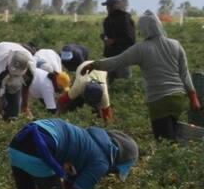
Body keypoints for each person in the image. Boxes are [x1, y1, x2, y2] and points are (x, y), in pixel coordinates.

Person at [83, 11, 199, 140]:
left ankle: (170, 158)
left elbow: (116, 62)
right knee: (174, 133)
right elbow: (185, 74)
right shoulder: (175, 45)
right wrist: (193, 98)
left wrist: (94, 65)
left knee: (164, 140)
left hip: (158, 100)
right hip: (178, 98)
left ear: (143, 30)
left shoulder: (141, 49)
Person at [8, 119, 138, 189]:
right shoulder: (101, 163)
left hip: (17, 143)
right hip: (39, 146)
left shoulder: (88, 141)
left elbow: (69, 186)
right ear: (118, 161)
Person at [0, 42, 39, 119]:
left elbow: (26, 85)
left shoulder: (30, 67)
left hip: (14, 50)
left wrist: (25, 107)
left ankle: (10, 118)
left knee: (14, 109)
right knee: (1, 102)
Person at [101, 0, 136, 82]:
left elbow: (131, 39)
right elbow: (106, 34)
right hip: (110, 56)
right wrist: (105, 38)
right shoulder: (107, 20)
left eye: (109, 6)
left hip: (122, 57)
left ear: (115, 6)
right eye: (107, 6)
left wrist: (114, 41)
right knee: (110, 82)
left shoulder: (125, 19)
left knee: (123, 82)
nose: (107, 8)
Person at [28, 49, 69, 113]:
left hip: (48, 57)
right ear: (58, 84)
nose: (61, 90)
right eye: (61, 88)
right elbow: (52, 111)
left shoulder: (56, 74)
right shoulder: (48, 87)